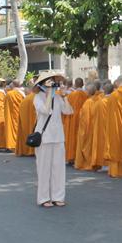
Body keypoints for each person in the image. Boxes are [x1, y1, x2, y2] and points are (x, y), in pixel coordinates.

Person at [33, 72, 73, 208]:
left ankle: (58, 196)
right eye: (49, 82)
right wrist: (49, 93)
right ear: (42, 84)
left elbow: (68, 111)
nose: (52, 85)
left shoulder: (58, 98)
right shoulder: (37, 98)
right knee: (44, 169)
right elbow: (46, 110)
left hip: (58, 137)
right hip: (44, 137)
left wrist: (64, 95)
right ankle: (44, 198)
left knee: (59, 169)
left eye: (53, 82)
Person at [104, 78, 122, 178]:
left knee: (115, 146)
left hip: (115, 125)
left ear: (116, 83)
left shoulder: (113, 96)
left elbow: (109, 114)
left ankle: (116, 171)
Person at [65, 79, 88, 164]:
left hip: (72, 118)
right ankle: (81, 158)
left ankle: (71, 157)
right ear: (83, 84)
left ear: (75, 84)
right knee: (82, 138)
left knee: (72, 138)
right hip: (83, 118)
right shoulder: (86, 94)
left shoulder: (71, 95)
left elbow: (66, 108)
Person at [15, 83, 38, 157]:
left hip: (26, 123)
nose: (25, 91)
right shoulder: (39, 98)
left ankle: (27, 148)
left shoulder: (25, 99)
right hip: (36, 123)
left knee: (27, 132)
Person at [4, 81, 25, 151]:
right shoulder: (23, 93)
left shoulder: (9, 94)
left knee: (13, 128)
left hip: (12, 114)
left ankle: (12, 144)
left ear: (13, 85)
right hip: (21, 113)